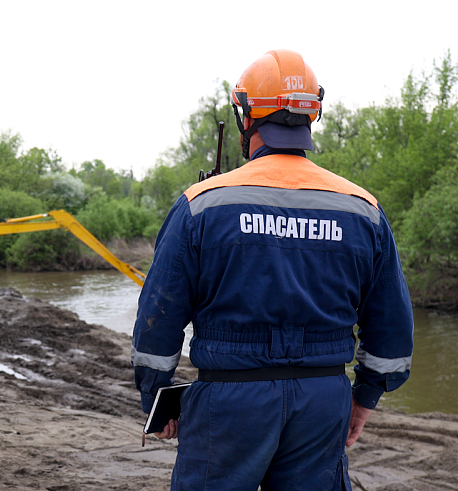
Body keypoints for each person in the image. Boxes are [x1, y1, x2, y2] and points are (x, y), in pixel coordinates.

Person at [131, 49, 414, 490]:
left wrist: (156, 396)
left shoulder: (201, 204)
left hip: (229, 400)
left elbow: (158, 317)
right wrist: (365, 398)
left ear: (247, 117)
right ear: (311, 114)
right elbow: (392, 329)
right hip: (323, 402)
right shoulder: (364, 210)